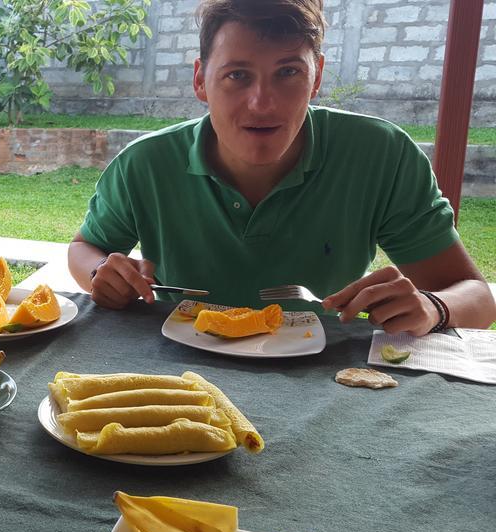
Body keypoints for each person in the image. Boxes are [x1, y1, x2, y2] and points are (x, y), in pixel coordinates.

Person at [68, 0, 496, 335]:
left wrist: (433, 308)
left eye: (288, 71)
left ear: (317, 77)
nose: (262, 103)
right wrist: (100, 275)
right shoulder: (146, 162)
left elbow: (476, 297)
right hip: (178, 361)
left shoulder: (381, 154)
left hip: (321, 370)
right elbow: (86, 248)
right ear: (200, 80)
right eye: (237, 76)